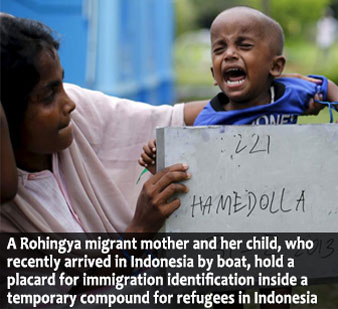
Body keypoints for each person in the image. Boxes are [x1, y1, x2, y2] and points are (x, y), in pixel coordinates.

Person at [0, 15, 207, 234]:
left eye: (62, 84)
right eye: (49, 95)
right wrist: (141, 229)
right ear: (7, 114)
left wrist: (240, 102)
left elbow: (172, 118)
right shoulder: (9, 205)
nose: (70, 103)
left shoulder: (82, 113)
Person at [140, 6, 338, 172]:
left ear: (275, 66)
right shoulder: (208, 121)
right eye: (219, 49)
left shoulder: (288, 93)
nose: (229, 54)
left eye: (244, 46)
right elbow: (195, 171)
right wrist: (159, 164)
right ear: (214, 76)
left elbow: (326, 85)